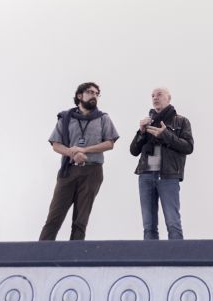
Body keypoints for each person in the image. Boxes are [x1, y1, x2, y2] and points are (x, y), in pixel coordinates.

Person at [39, 82, 119, 241]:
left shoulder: (103, 118)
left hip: (92, 171)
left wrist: (84, 150)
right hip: (68, 171)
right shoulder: (66, 118)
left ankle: (75, 254)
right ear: (79, 96)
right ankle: (40, 252)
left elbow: (110, 143)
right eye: (90, 92)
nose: (94, 95)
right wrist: (72, 153)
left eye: (96, 93)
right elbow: (56, 144)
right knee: (54, 217)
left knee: (80, 221)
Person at [129, 87, 193, 239]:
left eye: (159, 94)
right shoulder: (148, 122)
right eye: (152, 95)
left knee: (173, 223)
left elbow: (188, 147)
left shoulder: (181, 121)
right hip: (146, 175)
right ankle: (150, 254)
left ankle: (177, 253)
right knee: (148, 225)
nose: (155, 98)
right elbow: (133, 150)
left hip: (168, 176)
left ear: (169, 98)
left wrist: (165, 134)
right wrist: (141, 132)